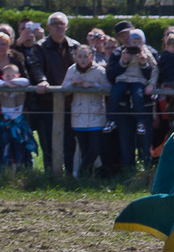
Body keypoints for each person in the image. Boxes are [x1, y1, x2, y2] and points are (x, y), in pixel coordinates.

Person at [30, 12, 79, 174]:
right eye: (55, 23)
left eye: (62, 23)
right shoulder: (39, 47)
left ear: (66, 26)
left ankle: (71, 175)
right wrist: (42, 81)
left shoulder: (74, 46)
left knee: (70, 142)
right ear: (48, 27)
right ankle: (51, 175)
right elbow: (35, 66)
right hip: (48, 103)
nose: (59, 27)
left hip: (71, 103)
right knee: (48, 141)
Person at [104, 29, 158, 137]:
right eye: (134, 42)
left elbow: (155, 68)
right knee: (115, 93)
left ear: (143, 42)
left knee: (138, 95)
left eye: (139, 42)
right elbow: (114, 70)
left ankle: (141, 122)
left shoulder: (146, 52)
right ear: (130, 42)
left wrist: (151, 83)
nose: (136, 44)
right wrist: (123, 60)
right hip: (123, 79)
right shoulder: (124, 51)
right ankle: (110, 120)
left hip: (138, 80)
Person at [64, 45, 107, 178]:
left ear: (91, 57)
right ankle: (87, 178)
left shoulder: (99, 70)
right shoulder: (71, 70)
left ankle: (81, 171)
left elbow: (108, 88)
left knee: (95, 148)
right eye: (80, 56)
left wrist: (94, 86)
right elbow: (63, 89)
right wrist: (73, 84)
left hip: (96, 114)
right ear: (75, 57)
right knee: (84, 149)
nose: (82, 60)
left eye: (85, 56)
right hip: (78, 115)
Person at [0, 63, 36, 168]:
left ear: (18, 75)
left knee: (19, 147)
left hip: (19, 124)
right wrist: (5, 84)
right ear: (3, 76)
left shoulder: (21, 84)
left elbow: (26, 81)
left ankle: (21, 170)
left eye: (13, 75)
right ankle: (6, 171)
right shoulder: (3, 85)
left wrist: (12, 82)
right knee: (5, 147)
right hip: (6, 123)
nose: (10, 78)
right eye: (7, 76)